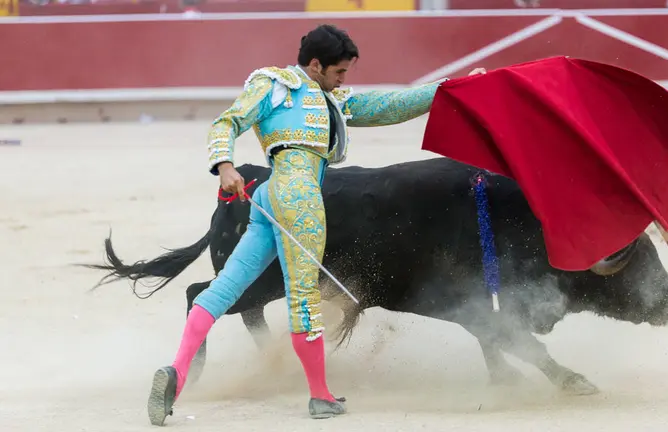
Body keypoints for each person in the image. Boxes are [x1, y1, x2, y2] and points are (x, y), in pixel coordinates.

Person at [146, 23, 486, 426]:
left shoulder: (291, 90)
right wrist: (223, 167)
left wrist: (451, 87)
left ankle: (177, 372)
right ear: (315, 64)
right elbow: (226, 123)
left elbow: (392, 105)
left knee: (226, 288)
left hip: (268, 194)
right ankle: (320, 396)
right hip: (302, 195)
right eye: (339, 72)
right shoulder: (282, 85)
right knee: (304, 295)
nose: (343, 81)